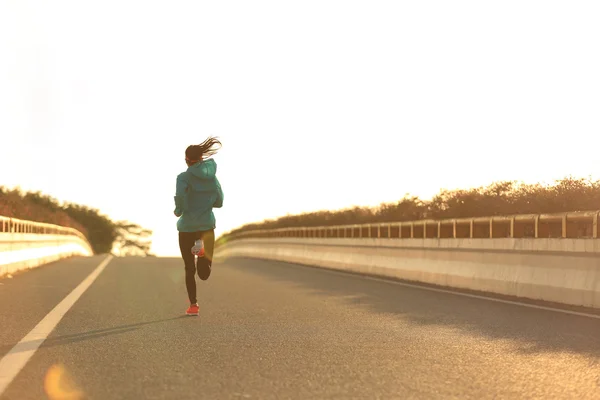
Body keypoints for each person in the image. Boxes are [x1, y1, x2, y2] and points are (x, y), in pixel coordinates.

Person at [174, 137, 224, 316]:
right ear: (202, 159)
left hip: (187, 227)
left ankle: (193, 305)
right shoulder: (213, 178)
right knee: (204, 273)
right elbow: (219, 201)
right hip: (207, 226)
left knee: (189, 268)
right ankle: (202, 253)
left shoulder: (183, 177)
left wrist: (179, 210)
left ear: (187, 160)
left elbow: (180, 198)